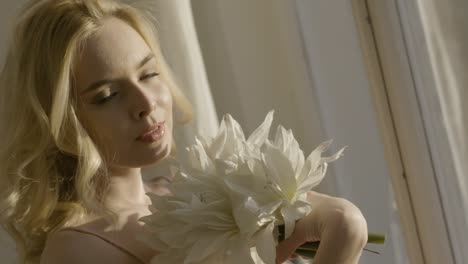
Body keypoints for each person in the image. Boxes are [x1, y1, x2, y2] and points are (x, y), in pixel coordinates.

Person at [0, 0, 368, 263]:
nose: (146, 102)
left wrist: (341, 223)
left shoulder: (195, 193)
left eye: (148, 73)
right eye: (108, 95)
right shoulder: (77, 251)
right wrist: (345, 229)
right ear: (61, 120)